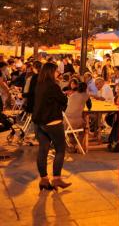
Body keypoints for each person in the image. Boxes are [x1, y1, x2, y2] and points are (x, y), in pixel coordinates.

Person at [32, 62, 71, 191]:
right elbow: (64, 100)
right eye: (56, 71)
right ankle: (56, 179)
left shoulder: (39, 84)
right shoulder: (53, 86)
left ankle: (44, 179)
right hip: (52, 121)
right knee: (60, 149)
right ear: (50, 72)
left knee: (43, 150)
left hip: (39, 122)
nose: (58, 73)